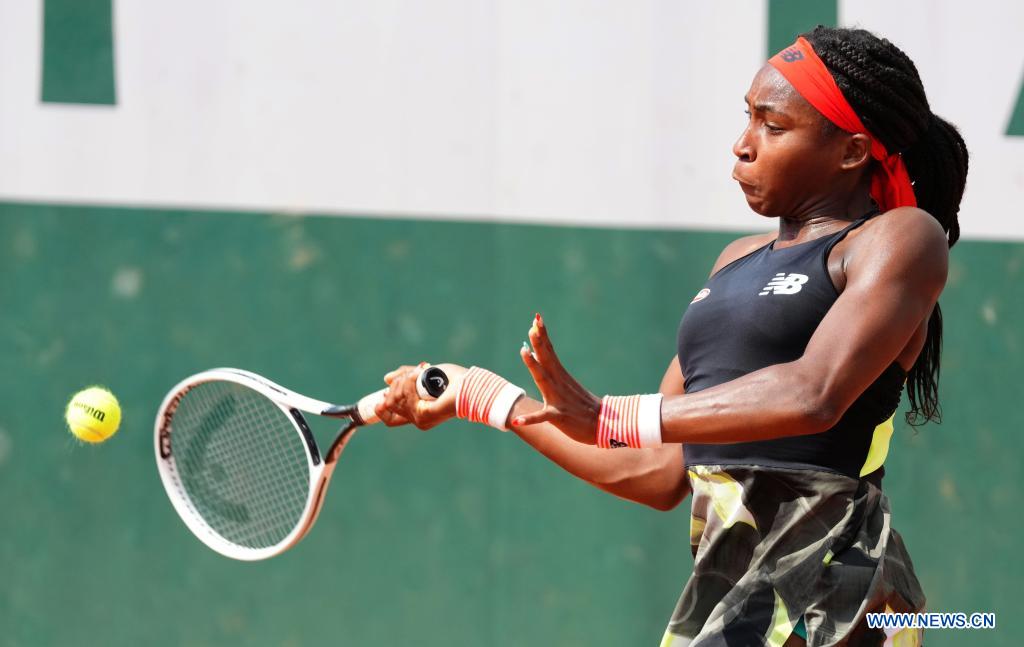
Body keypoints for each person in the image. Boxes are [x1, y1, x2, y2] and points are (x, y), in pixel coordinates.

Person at [376, 25, 968, 646]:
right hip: (730, 604)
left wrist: (612, 414)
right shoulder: (733, 263)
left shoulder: (899, 239)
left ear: (850, 152)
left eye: (773, 126)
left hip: (837, 602)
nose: (743, 146)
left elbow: (812, 393)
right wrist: (484, 396)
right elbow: (657, 470)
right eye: (747, 119)